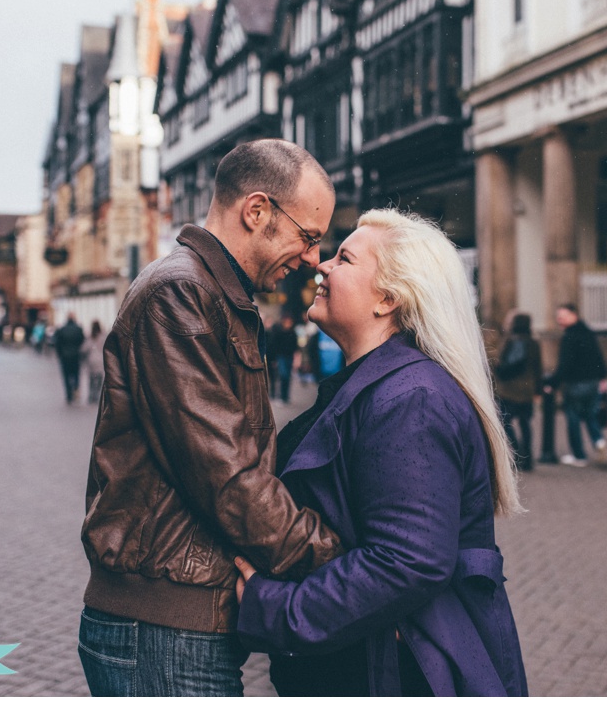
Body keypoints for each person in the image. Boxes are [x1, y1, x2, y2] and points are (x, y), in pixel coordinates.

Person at [78, 139, 343, 697]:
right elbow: (227, 476)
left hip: (178, 619)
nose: (313, 259)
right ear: (257, 211)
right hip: (163, 626)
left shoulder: (217, 296)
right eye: (309, 236)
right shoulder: (181, 293)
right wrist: (338, 562)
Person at [232, 209, 528, 697]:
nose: (322, 266)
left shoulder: (410, 398)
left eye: (345, 258)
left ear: (388, 299)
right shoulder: (386, 386)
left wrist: (276, 609)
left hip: (394, 672)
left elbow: (407, 560)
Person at [543, 303, 607, 466]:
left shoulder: (569, 337)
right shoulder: (588, 333)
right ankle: (599, 441)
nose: (559, 320)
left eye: (563, 316)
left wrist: (553, 383)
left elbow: (565, 364)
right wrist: (603, 377)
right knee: (590, 415)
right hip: (592, 382)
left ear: (574, 315)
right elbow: (598, 357)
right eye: (558, 317)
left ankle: (579, 456)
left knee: (573, 418)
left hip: (575, 384)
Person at [493, 310, 543, 472]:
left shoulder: (509, 340)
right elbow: (538, 369)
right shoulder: (533, 343)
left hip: (508, 390)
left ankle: (516, 454)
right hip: (527, 391)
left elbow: (500, 363)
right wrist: (538, 390)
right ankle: (528, 460)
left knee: (505, 422)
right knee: (525, 423)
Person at [266, 315, 299, 403]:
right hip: (281, 357)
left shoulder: (293, 333)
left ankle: (285, 396)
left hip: (289, 357)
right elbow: (274, 346)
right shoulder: (279, 332)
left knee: (287, 376)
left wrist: (297, 359)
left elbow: (296, 347)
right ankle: (281, 395)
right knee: (283, 375)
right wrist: (274, 358)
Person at [54, 313, 85, 403]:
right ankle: (76, 389)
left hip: (65, 356)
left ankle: (69, 395)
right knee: (76, 374)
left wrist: (59, 354)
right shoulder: (78, 329)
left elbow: (57, 343)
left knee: (66, 376)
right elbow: (82, 342)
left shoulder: (62, 329)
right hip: (76, 356)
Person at [83, 320, 105, 405]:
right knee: (99, 377)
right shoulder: (103, 337)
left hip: (91, 360)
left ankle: (91, 394)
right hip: (100, 359)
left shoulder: (90, 337)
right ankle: (97, 394)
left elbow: (85, 348)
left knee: (91, 378)